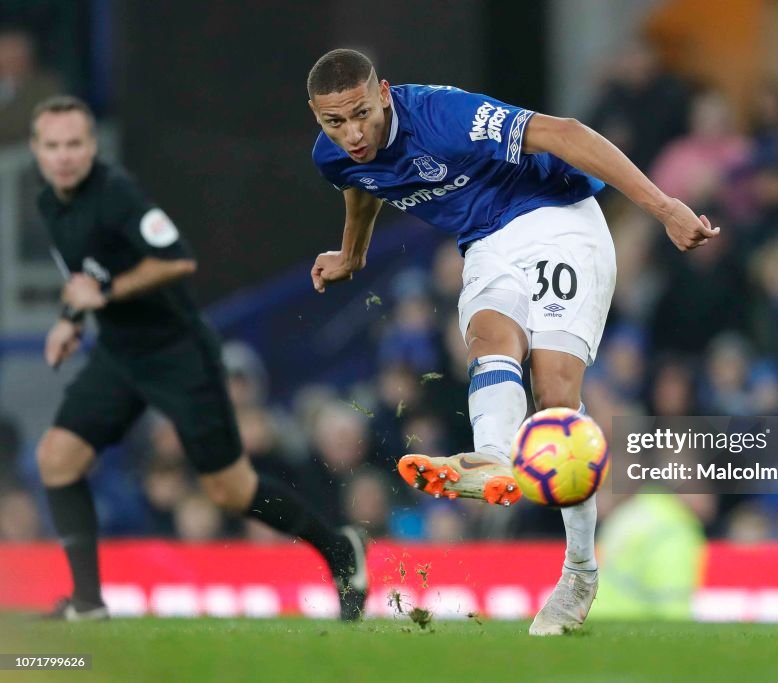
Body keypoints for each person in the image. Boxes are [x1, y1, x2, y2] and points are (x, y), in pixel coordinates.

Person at [305, 49, 719, 635]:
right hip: (484, 243)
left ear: (386, 94)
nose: (352, 134)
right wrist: (351, 254)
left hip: (557, 218)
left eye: (362, 115)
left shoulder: (444, 117)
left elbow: (565, 133)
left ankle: (579, 571)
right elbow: (362, 184)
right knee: (489, 339)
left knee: (554, 393)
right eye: (335, 123)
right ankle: (493, 460)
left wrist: (665, 208)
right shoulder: (336, 158)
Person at [29, 95, 366, 620]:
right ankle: (88, 603)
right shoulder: (50, 205)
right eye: (53, 146)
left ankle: (339, 548)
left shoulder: (116, 194)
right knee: (57, 458)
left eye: (74, 144)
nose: (64, 156)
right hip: (121, 353)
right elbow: (85, 278)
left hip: (178, 352)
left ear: (92, 147)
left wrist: (107, 293)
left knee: (230, 491)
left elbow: (177, 259)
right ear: (37, 151)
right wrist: (70, 323)